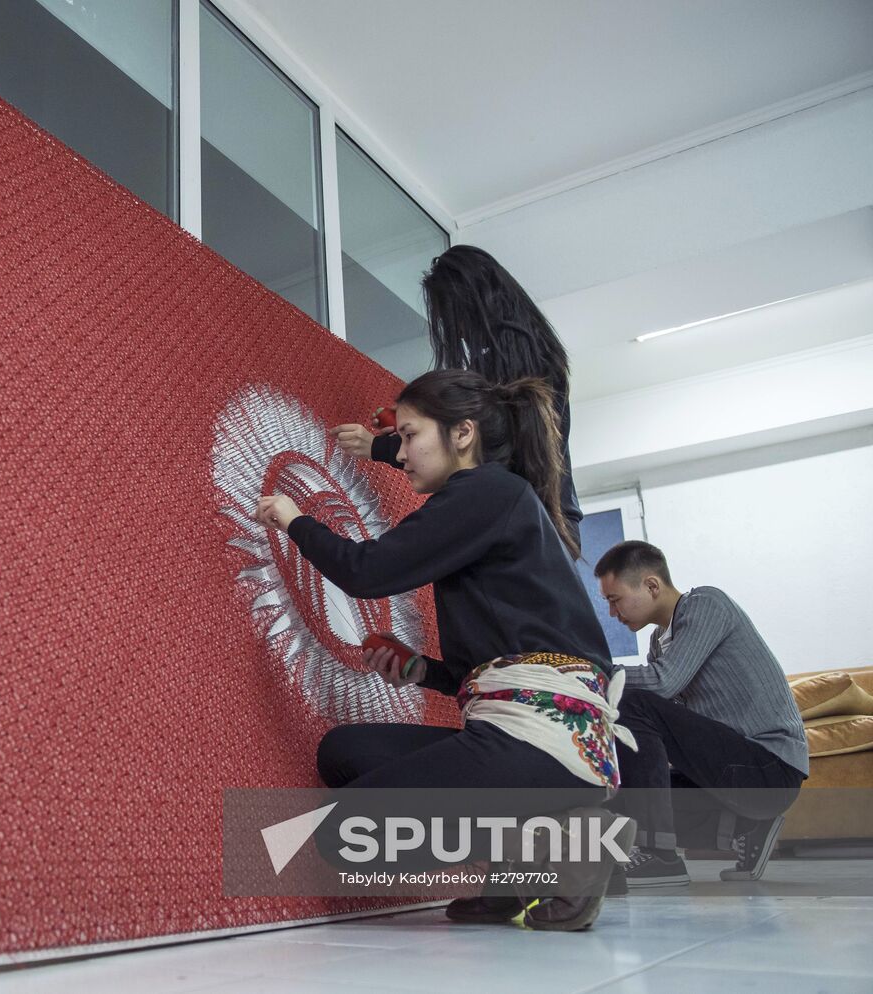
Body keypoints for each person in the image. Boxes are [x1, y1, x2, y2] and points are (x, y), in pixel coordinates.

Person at [255, 369, 634, 931]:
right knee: (345, 752)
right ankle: (516, 870)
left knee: (341, 836)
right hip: (528, 728)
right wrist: (419, 670)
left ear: (462, 434)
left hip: (547, 740)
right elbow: (485, 668)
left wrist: (296, 520)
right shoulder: (496, 501)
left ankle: (560, 849)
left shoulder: (487, 491)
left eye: (408, 436)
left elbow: (368, 570)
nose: (401, 453)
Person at [333, 244, 583, 548]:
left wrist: (380, 447)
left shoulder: (507, 370)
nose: (455, 331)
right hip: (549, 523)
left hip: (536, 525)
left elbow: (479, 449)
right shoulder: (533, 355)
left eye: (449, 315)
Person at [595, 541, 808, 886]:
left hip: (770, 768)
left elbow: (663, 684)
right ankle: (748, 827)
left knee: (633, 700)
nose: (612, 613)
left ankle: (660, 856)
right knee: (623, 793)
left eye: (614, 599)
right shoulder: (659, 642)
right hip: (739, 770)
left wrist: (593, 673)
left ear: (651, 585)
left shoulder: (707, 604)